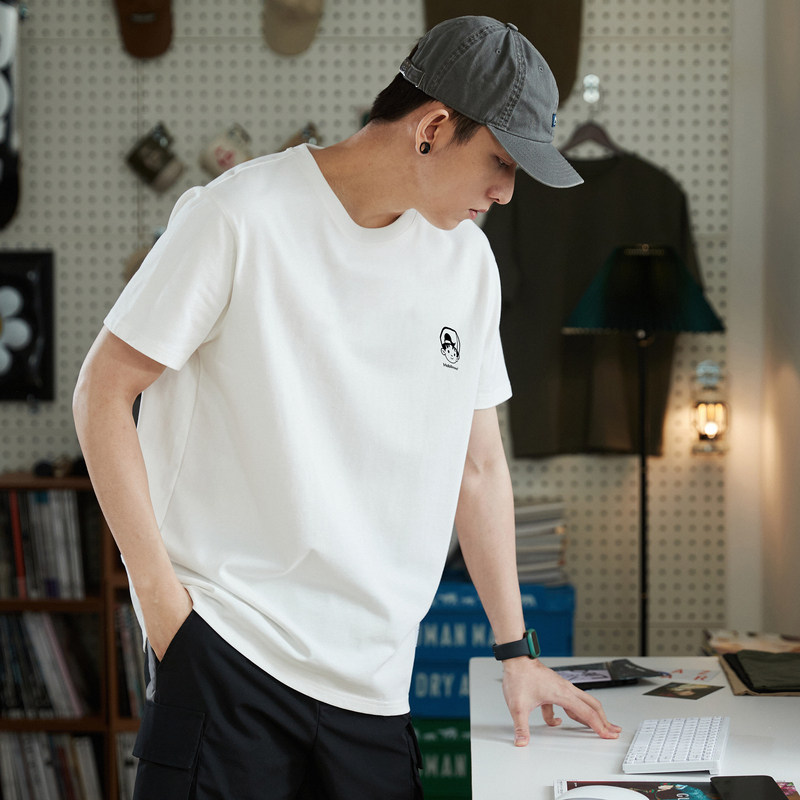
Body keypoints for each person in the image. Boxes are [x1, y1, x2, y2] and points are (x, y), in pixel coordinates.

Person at [73, 15, 620, 800]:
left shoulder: (467, 264)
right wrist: (164, 609)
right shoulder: (239, 215)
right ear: (433, 128)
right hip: (228, 654)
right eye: (501, 162)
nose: (506, 191)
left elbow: (477, 468)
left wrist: (516, 652)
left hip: (375, 685)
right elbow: (103, 390)